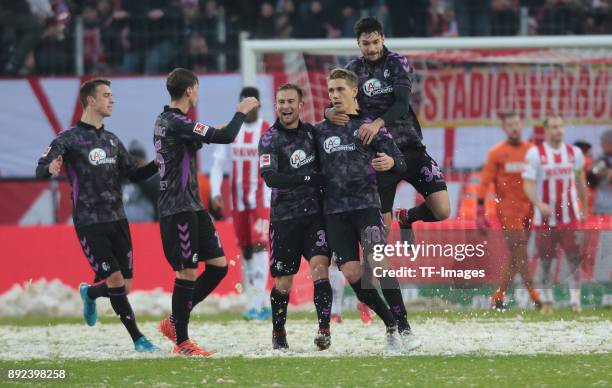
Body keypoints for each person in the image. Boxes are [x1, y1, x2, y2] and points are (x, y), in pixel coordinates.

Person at [36, 78, 158, 352]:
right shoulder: (68, 139)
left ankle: (89, 293)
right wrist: (49, 169)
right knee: (115, 281)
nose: (111, 100)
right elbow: (41, 167)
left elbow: (135, 174)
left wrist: (158, 163)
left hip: (118, 218)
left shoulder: (112, 140)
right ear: (91, 101)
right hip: (89, 222)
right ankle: (139, 339)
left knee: (124, 286)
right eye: (106, 95)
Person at [154, 68, 259, 356]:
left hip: (193, 206)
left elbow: (198, 138)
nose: (198, 93)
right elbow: (225, 136)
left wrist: (217, 128)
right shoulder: (176, 121)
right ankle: (182, 342)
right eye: (197, 88)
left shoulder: (167, 121)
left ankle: (174, 322)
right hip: (178, 208)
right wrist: (240, 113)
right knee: (187, 271)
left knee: (219, 266)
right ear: (190, 90)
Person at [315, 68, 420, 350]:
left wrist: (390, 163)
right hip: (335, 212)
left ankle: (406, 329)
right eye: (331, 90)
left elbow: (400, 160)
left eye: (340, 89)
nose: (335, 95)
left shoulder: (370, 126)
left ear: (353, 91)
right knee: (351, 274)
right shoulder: (320, 131)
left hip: (367, 207)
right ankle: (389, 323)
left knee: (380, 265)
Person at [325, 16, 450, 244]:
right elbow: (337, 100)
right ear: (358, 44)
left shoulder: (397, 62)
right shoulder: (352, 69)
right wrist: (327, 112)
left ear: (382, 38)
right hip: (380, 155)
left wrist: (377, 123)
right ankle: (380, 278)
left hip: (410, 147)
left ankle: (407, 216)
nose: (372, 48)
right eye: (366, 43)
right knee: (381, 234)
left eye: (375, 42)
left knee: (442, 210)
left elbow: (402, 105)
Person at [258, 83, 332, 350]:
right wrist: (306, 177)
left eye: (291, 101)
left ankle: (324, 329)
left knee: (320, 268)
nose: (286, 106)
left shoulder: (312, 134)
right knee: (284, 282)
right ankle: (279, 331)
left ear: (301, 106)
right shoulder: (269, 138)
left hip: (314, 216)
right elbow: (270, 178)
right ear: (276, 106)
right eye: (281, 102)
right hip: (284, 218)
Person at [210, 87, 271, 321]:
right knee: (246, 251)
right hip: (238, 202)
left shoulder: (267, 131)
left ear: (258, 106)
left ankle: (255, 305)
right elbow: (217, 163)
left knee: (259, 247)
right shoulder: (231, 130)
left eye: (253, 104)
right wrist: (216, 191)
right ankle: (258, 301)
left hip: (261, 201)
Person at [522, 115, 589, 314]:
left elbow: (580, 180)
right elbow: (527, 184)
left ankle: (575, 301)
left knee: (574, 259)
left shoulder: (574, 153)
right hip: (545, 219)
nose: (558, 130)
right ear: (546, 131)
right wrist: (538, 203)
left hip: (570, 217)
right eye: (553, 127)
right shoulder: (535, 154)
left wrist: (584, 208)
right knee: (545, 261)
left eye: (560, 126)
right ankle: (547, 301)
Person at [476, 112, 541, 309]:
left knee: (517, 254)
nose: (514, 127)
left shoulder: (532, 151)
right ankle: (535, 296)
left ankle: (498, 296)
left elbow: (540, 178)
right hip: (508, 209)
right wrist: (479, 210)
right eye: (510, 125)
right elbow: (485, 181)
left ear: (522, 125)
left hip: (529, 207)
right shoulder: (497, 152)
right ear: (504, 128)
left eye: (516, 124)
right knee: (520, 251)